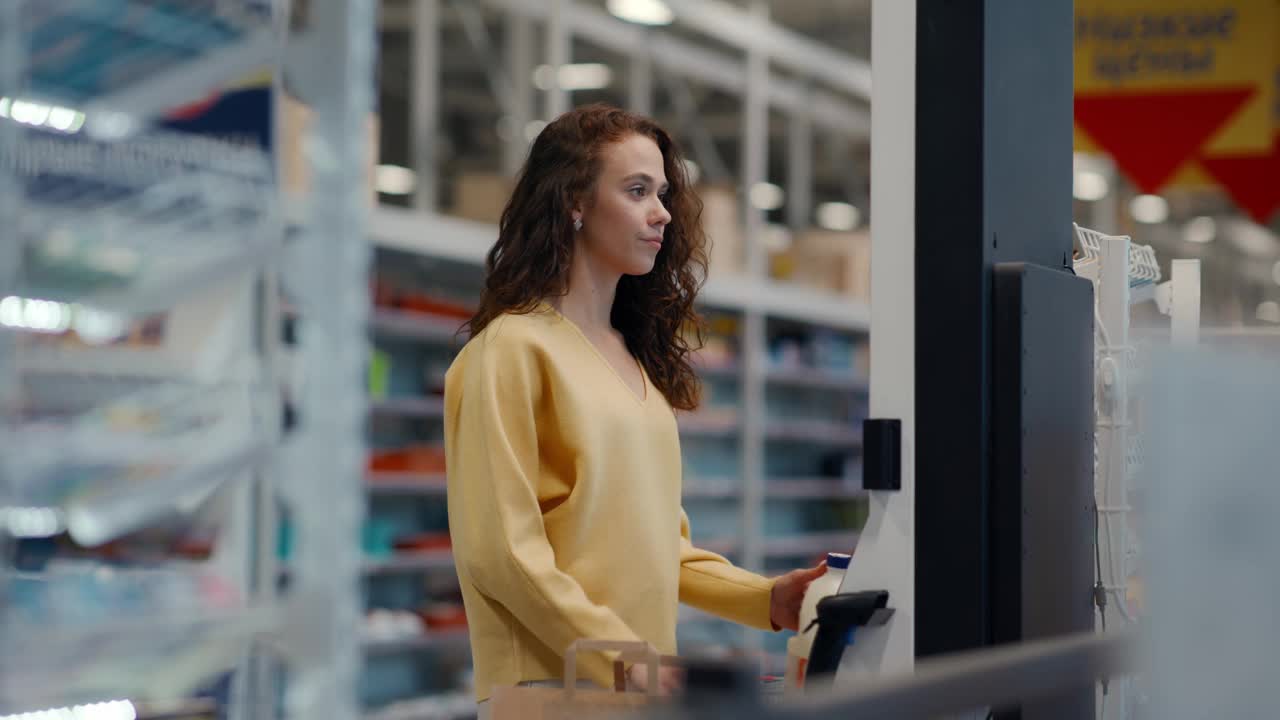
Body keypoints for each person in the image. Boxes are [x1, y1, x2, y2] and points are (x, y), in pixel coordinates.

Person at [444, 103, 828, 708]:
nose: (663, 213)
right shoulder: (509, 350)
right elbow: (502, 554)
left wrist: (764, 598)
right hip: (552, 691)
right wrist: (625, 659)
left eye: (663, 192)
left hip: (633, 686)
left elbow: (659, 547)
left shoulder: (632, 361)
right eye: (636, 190)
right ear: (574, 201)